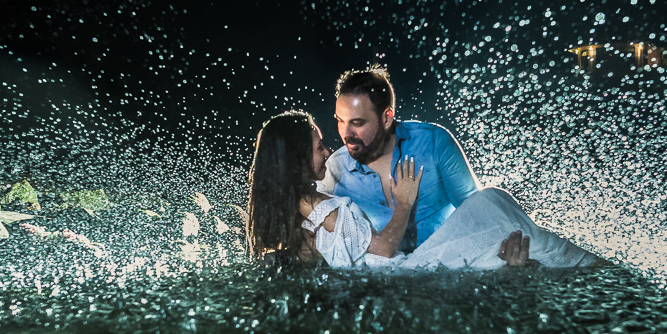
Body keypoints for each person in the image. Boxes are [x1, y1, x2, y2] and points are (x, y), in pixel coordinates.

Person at [246, 110, 603, 270]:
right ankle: (607, 276)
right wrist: (405, 202)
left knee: (500, 211)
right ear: (295, 159)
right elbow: (384, 251)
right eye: (317, 146)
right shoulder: (324, 208)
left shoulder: (294, 206)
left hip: (402, 270)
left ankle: (594, 272)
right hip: (406, 274)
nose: (326, 151)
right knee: (503, 213)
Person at [319, 65, 479, 254]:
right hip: (382, 276)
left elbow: (476, 210)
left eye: (357, 123)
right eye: (340, 120)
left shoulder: (434, 143)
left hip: (450, 265)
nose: (346, 133)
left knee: (495, 197)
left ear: (387, 118)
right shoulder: (334, 169)